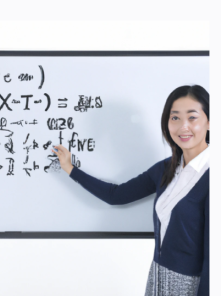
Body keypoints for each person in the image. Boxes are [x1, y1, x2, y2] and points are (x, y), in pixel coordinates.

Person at [54, 85, 208, 295]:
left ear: (209, 122)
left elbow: (214, 256)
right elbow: (116, 195)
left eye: (192, 117)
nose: (183, 126)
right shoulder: (166, 168)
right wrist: (71, 169)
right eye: (175, 118)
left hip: (194, 285)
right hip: (158, 276)